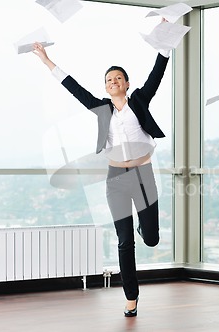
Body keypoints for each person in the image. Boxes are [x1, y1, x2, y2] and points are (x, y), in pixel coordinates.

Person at [32, 23, 170, 318]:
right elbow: (74, 88)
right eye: (109, 79)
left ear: (127, 84)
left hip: (143, 177)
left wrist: (164, 43)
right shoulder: (101, 108)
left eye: (118, 78)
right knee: (124, 242)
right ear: (105, 86)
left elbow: (157, 74)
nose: (114, 81)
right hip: (116, 179)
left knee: (152, 239)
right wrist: (46, 61)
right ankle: (131, 298)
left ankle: (144, 226)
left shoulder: (139, 101)